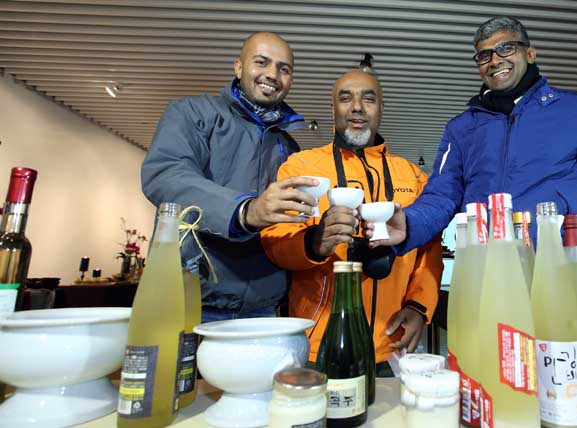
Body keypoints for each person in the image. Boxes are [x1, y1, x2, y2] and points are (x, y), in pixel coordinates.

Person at [366, 16, 577, 285]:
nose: (495, 60)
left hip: (559, 276)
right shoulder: (460, 128)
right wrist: (409, 222)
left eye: (506, 47)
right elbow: (441, 196)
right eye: (484, 55)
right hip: (483, 279)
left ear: (530, 54)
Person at [260, 70, 443, 374]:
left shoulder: (413, 176)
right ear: (333, 109)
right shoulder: (302, 167)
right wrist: (314, 242)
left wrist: (419, 308)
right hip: (318, 345)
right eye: (346, 97)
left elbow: (429, 251)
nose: (357, 106)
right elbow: (275, 240)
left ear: (380, 109)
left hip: (390, 344)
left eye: (368, 98)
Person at [141, 32, 320, 323]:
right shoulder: (191, 113)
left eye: (283, 69)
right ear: (238, 67)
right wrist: (244, 210)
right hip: (191, 301)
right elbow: (165, 175)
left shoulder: (290, 148)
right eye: (261, 62)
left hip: (264, 310)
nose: (272, 74)